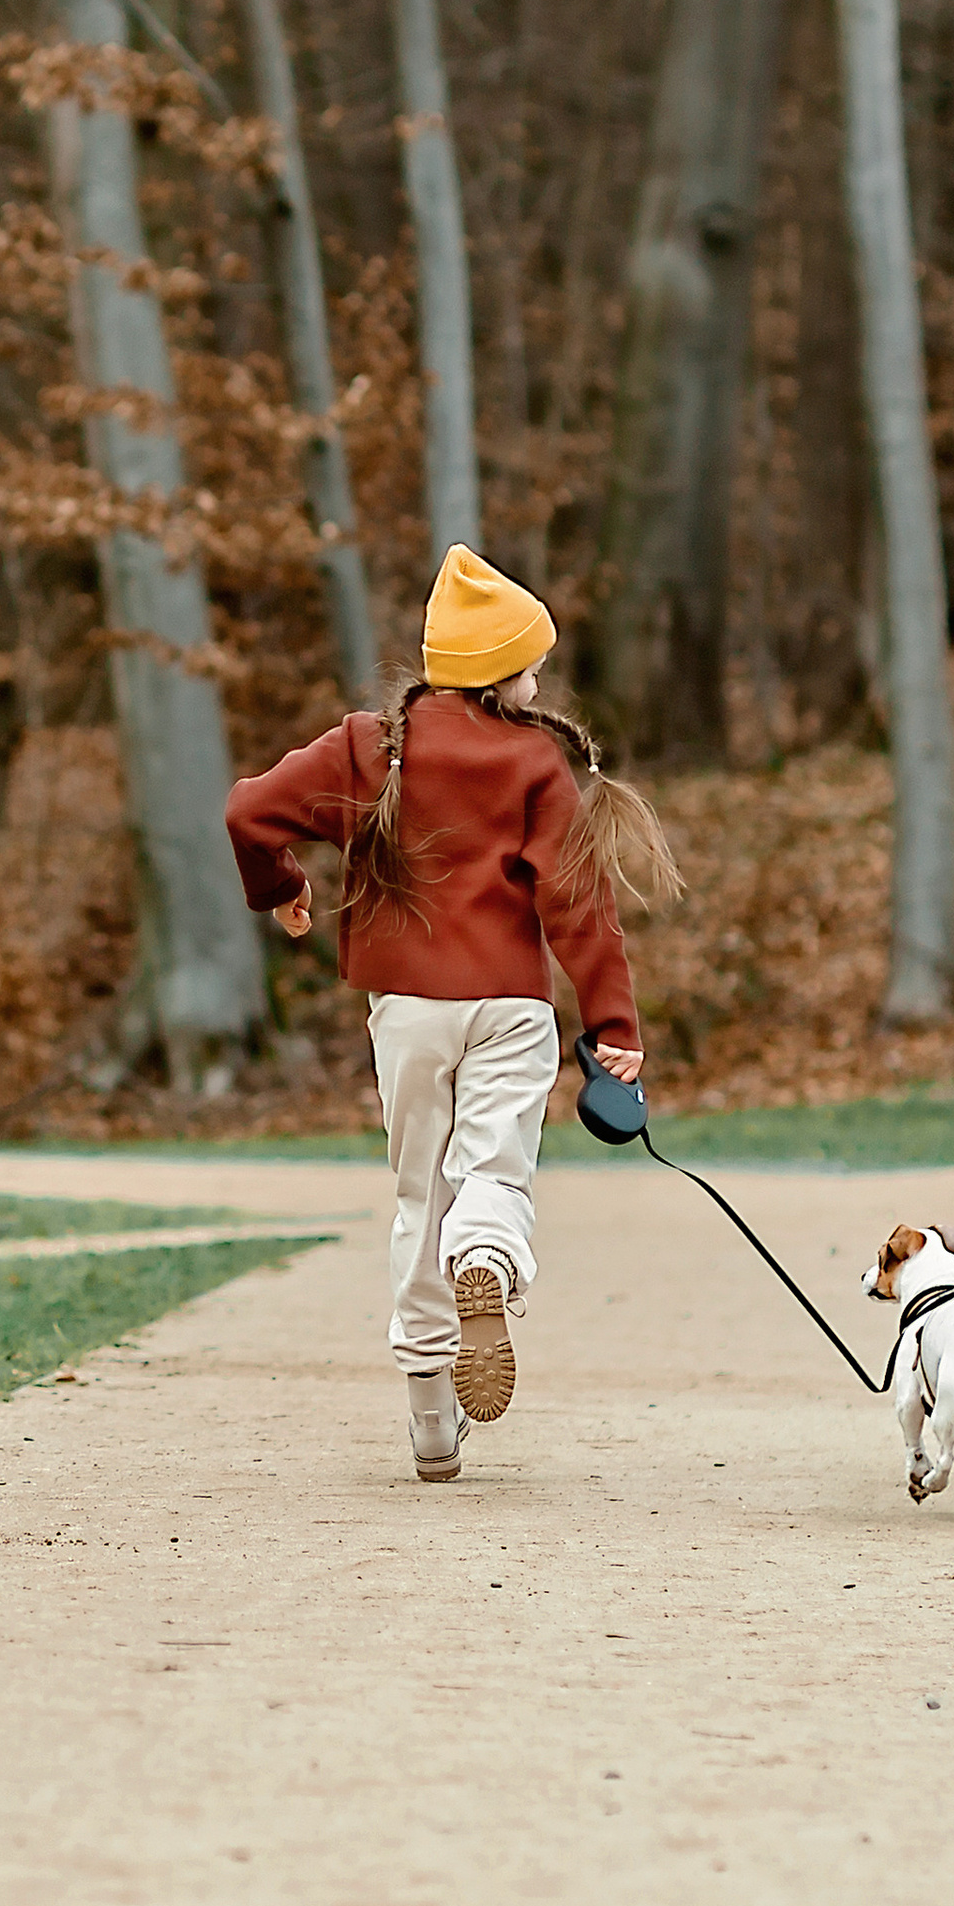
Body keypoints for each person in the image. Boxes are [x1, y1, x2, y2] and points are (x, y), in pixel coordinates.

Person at [224, 546, 681, 1482]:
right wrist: (614, 1028)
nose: (540, 680)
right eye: (531, 665)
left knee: (417, 1196)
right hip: (511, 1006)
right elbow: (578, 908)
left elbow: (249, 811)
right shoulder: (534, 761)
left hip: (409, 1013)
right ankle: (486, 1257)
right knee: (493, 1177)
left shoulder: (368, 746)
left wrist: (281, 886)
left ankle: (433, 1423)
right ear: (501, 673)